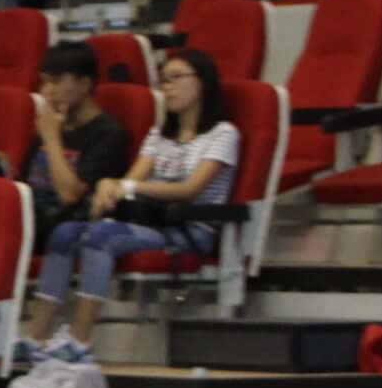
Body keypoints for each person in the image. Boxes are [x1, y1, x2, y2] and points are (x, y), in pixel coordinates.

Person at [27, 47, 236, 355]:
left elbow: (190, 189)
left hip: (189, 229)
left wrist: (126, 186)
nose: (167, 87)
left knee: (101, 236)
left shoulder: (223, 133)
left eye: (176, 78)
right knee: (65, 232)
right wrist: (108, 189)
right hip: (152, 220)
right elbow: (133, 178)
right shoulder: (159, 135)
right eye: (163, 81)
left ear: (202, 81)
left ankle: (79, 340)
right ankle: (35, 337)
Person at [4, 42, 133, 243]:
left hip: (66, 225)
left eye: (55, 82)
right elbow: (25, 184)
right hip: (29, 217)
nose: (47, 91)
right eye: (44, 82)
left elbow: (69, 196)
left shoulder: (108, 133)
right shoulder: (52, 124)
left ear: (84, 84)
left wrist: (52, 139)